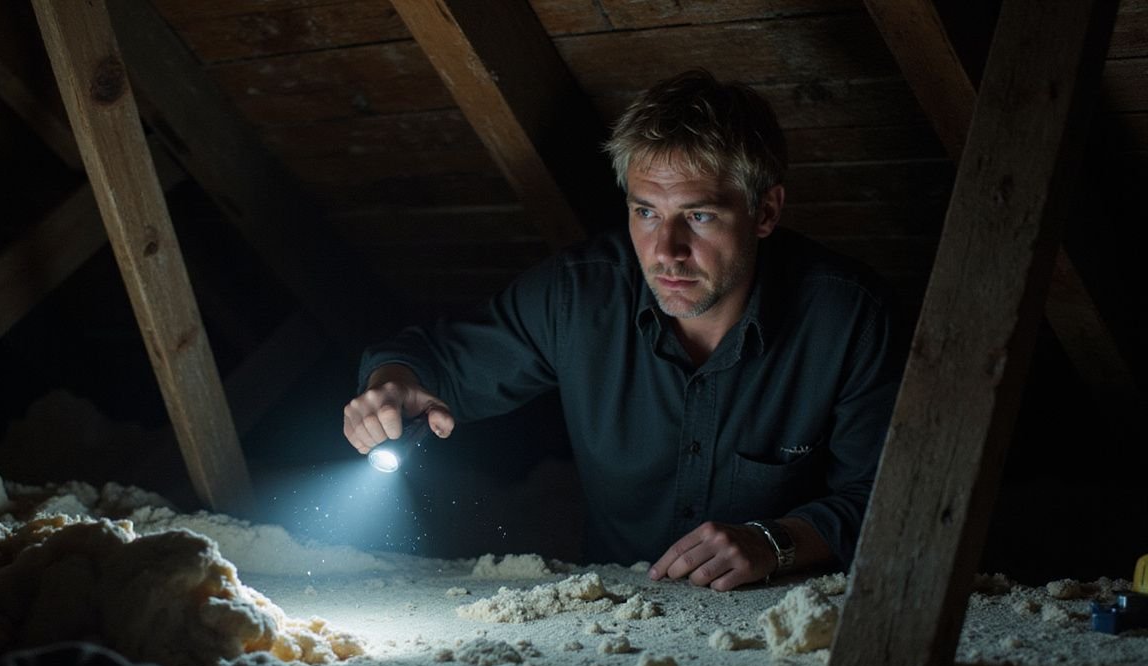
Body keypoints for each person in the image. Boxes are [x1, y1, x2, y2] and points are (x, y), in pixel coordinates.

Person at [342, 69, 902, 590]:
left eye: (699, 215)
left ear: (766, 212)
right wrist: (391, 385)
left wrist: (773, 542)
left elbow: (888, 497)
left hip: (786, 613)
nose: (666, 251)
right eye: (646, 212)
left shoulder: (851, 317)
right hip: (608, 615)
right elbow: (429, 361)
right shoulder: (578, 295)